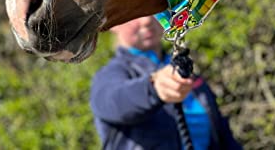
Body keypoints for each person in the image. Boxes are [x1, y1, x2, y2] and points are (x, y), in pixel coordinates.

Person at [90, 15, 242, 150]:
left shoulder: (183, 67)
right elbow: (113, 101)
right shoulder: (109, 75)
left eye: (154, 11)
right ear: (112, 23)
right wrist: (153, 88)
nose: (147, 20)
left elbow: (222, 134)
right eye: (134, 14)